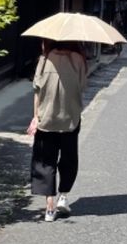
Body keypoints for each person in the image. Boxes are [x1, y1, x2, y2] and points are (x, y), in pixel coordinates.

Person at [27, 39, 87, 222]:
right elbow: (82, 86)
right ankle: (63, 195)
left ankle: (49, 206)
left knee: (46, 160)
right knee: (69, 158)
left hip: (47, 119)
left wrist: (35, 117)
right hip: (70, 117)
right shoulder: (79, 60)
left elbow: (37, 91)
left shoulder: (45, 60)